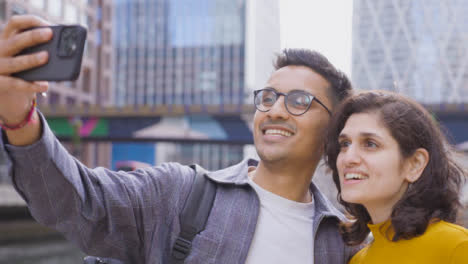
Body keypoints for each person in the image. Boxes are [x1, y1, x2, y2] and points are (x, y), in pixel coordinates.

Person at [0, 15, 356, 263]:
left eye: (298, 102)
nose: (275, 110)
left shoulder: (345, 243)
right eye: (268, 97)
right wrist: (20, 118)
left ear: (333, 130)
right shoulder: (179, 194)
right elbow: (76, 201)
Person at [324, 90, 468, 263]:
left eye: (370, 144)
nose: (348, 158)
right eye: (345, 144)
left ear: (415, 164)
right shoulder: (358, 260)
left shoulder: (456, 247)